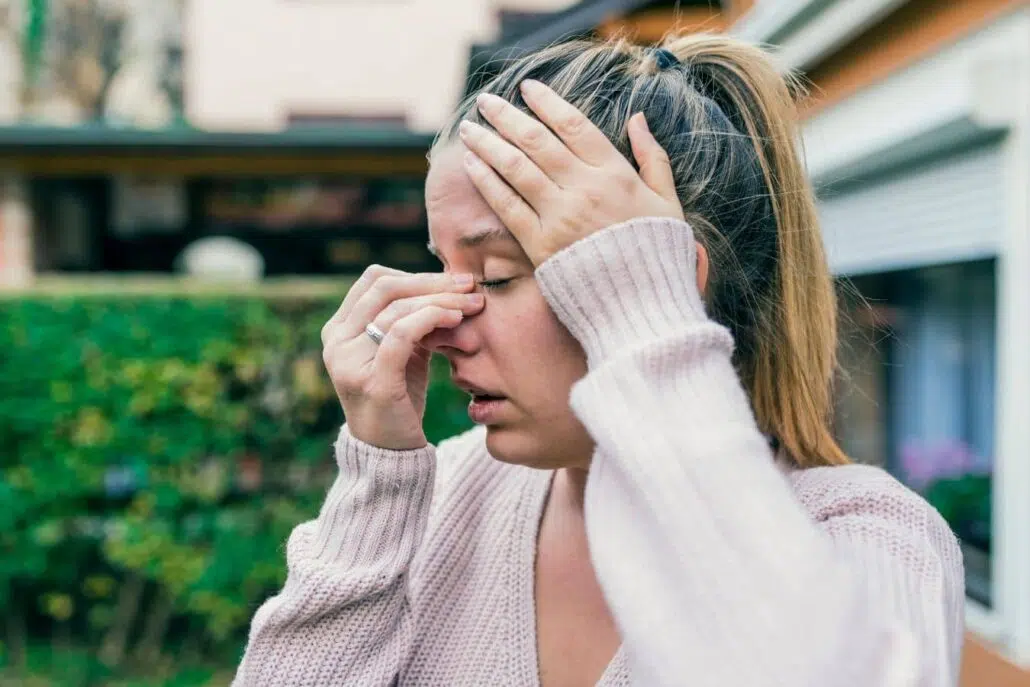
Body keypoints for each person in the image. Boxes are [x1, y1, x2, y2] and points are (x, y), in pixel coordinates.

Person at [232, 34, 964, 686]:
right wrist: (378, 482)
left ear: (653, 282)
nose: (440, 325)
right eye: (442, 270)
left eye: (494, 276)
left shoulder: (869, 539)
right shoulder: (441, 497)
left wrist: (646, 337)